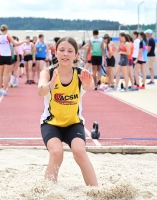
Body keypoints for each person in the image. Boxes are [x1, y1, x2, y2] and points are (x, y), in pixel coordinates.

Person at [38, 37, 97, 186]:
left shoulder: (80, 74)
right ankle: (48, 191)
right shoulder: (48, 72)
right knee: (57, 152)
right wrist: (50, 85)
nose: (65, 54)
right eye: (62, 50)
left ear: (76, 55)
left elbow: (90, 85)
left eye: (70, 51)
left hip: (73, 123)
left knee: (79, 152)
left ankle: (95, 190)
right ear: (55, 53)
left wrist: (88, 83)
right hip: (51, 123)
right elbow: (40, 91)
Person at [0, 24, 26, 96]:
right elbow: (15, 44)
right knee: (6, 74)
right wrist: (23, 41)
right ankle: (4, 90)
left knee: (0, 73)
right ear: (7, 30)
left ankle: (0, 89)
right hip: (8, 56)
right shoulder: (8, 36)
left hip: (1, 56)